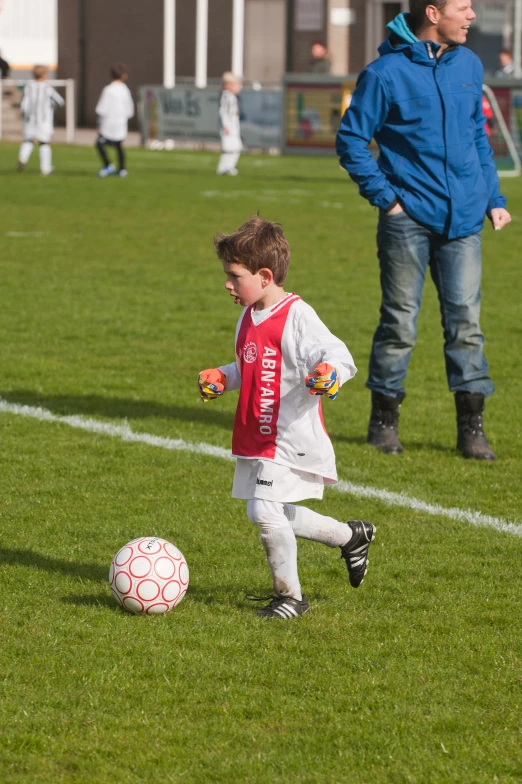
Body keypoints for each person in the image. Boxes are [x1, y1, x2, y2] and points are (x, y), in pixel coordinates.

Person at [336, 0, 511, 461]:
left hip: (465, 220)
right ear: (433, 13)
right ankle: (383, 423)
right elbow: (351, 139)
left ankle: (472, 429)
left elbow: (478, 136)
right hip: (407, 219)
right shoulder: (384, 73)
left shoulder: (469, 65)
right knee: (399, 323)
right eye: (463, 7)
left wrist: (492, 198)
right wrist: (387, 200)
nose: (472, 15)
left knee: (466, 325)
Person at [197, 215, 376, 619]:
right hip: (258, 433)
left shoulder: (297, 315)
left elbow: (339, 356)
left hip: (289, 435)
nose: (227, 284)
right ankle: (350, 537)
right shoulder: (248, 315)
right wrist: (222, 377)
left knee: (263, 510)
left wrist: (329, 374)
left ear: (264, 275)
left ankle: (291, 597)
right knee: (264, 510)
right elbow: (251, 365)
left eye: (233, 276)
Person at [17, 65, 64, 176]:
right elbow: (60, 101)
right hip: (44, 120)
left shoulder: (28, 87)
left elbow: (23, 103)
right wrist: (50, 107)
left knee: (28, 140)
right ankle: (45, 169)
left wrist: (23, 113)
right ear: (44, 75)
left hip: (29, 120)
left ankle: (23, 157)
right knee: (44, 143)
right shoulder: (47, 88)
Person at [95, 62, 134, 178]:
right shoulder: (125, 90)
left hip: (108, 123)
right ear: (124, 76)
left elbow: (102, 108)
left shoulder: (108, 90)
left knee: (99, 144)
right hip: (120, 122)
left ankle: (109, 165)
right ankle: (122, 169)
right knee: (119, 145)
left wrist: (99, 122)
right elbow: (129, 108)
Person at [217, 72, 243, 176]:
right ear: (228, 85)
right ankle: (223, 167)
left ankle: (229, 167)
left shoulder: (232, 97)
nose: (239, 88)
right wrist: (226, 126)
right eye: (237, 85)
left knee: (236, 148)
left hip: (233, 127)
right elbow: (223, 112)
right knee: (229, 148)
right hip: (228, 127)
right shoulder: (227, 97)